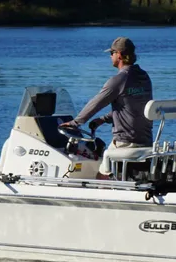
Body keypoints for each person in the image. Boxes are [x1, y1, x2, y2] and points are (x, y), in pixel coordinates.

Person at [61, 37, 153, 179]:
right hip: (145, 140)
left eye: (112, 53)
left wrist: (75, 123)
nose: (110, 56)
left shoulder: (119, 80)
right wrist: (104, 119)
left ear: (119, 55)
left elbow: (96, 103)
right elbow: (133, 107)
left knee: (101, 176)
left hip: (125, 142)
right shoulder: (143, 76)